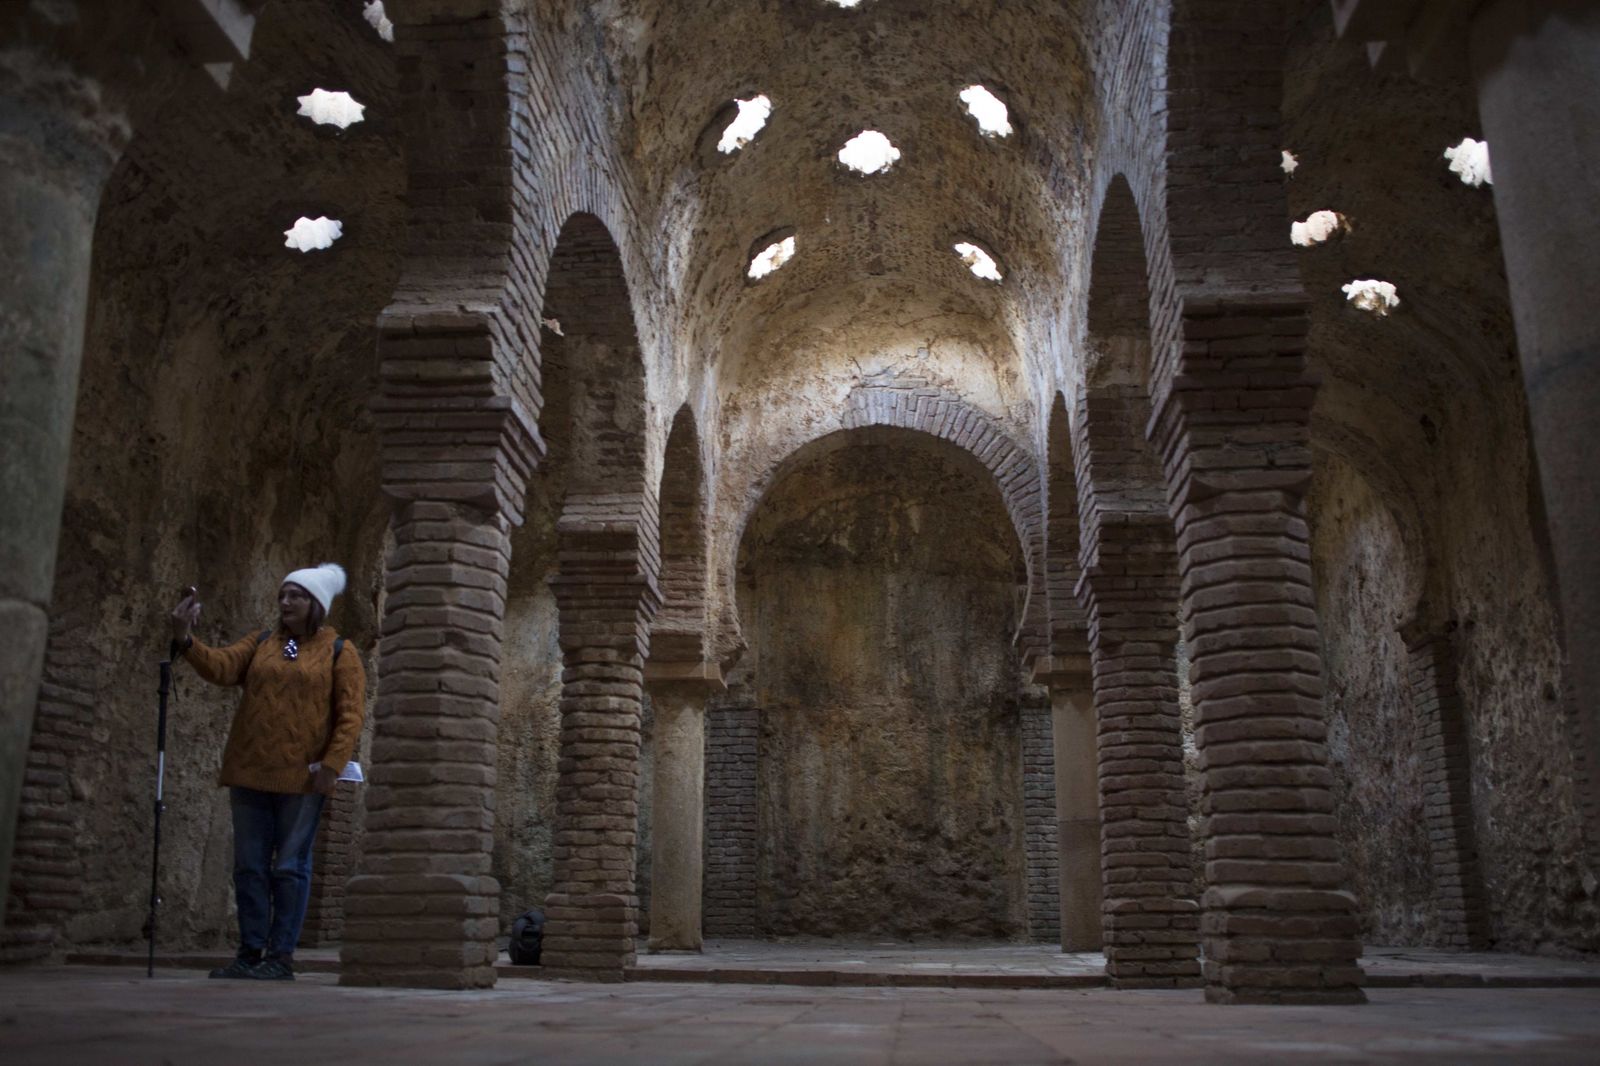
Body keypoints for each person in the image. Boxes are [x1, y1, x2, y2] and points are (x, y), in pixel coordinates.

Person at [170, 563, 366, 980]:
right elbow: (221, 666)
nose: (285, 601)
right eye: (282, 595)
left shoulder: (339, 650)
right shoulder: (263, 642)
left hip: (302, 778)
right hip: (250, 772)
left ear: (316, 602)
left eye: (295, 595)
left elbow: (350, 715)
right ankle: (249, 952)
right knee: (249, 866)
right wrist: (185, 638)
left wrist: (332, 765)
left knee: (289, 867)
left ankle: (280, 958)